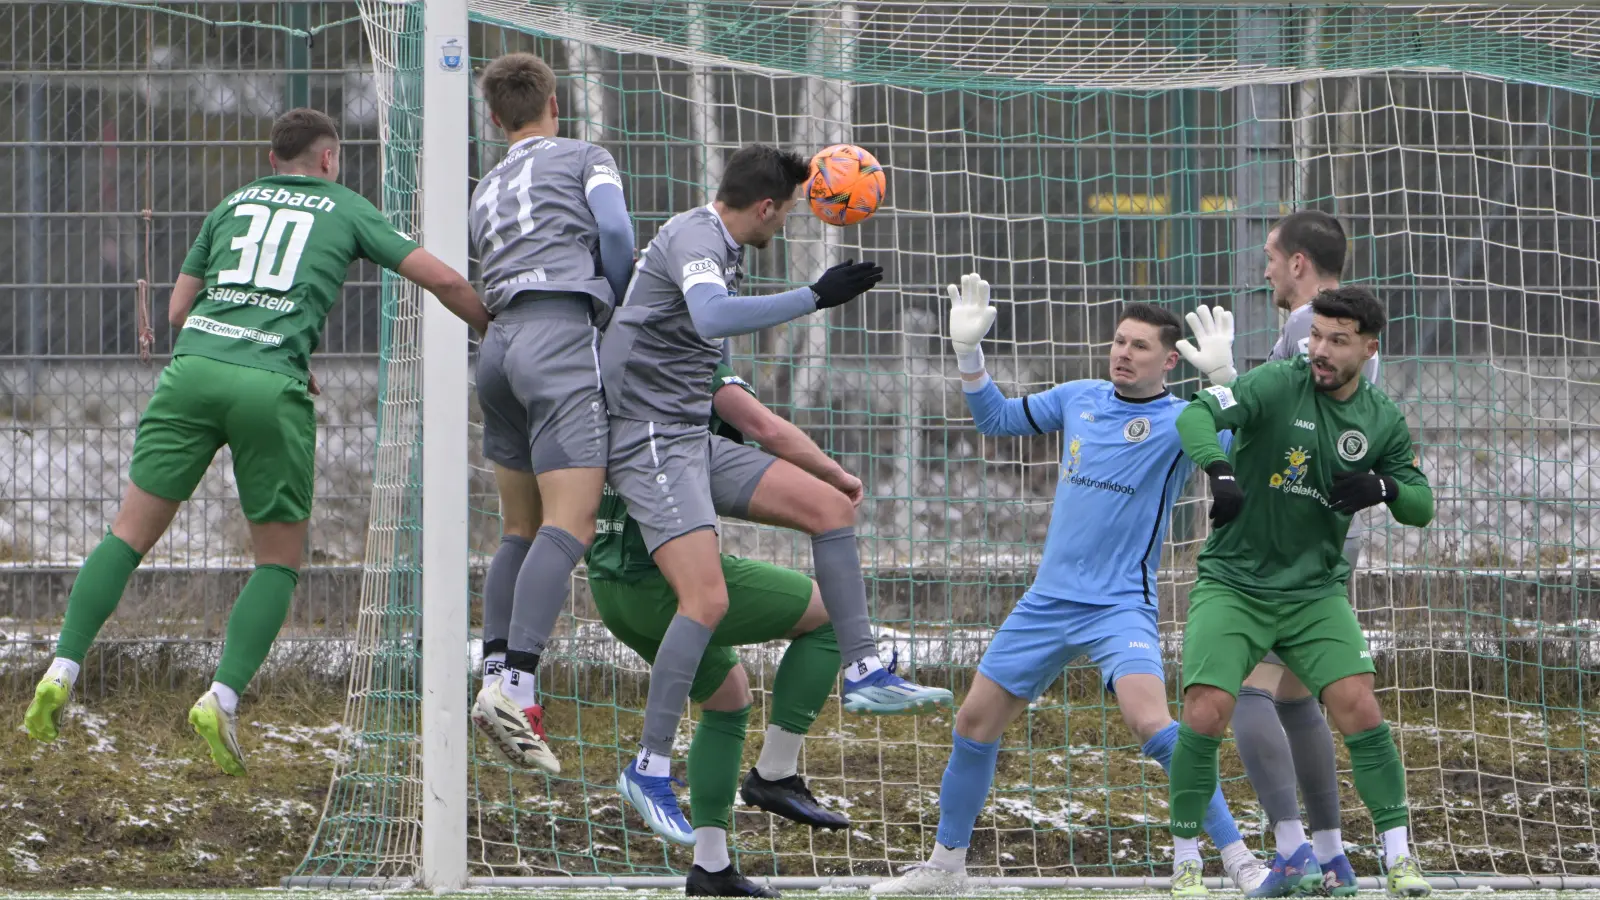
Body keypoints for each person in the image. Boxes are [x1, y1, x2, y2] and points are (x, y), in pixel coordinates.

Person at [21, 108, 490, 775]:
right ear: (329, 160)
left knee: (126, 536)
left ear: (273, 160)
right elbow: (443, 279)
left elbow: (178, 311)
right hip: (270, 387)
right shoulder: (347, 207)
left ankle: (61, 671)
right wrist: (494, 330)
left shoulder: (231, 203)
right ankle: (221, 698)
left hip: (194, 374)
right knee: (276, 561)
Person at [597, 143, 952, 844]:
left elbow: (742, 407)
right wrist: (814, 297)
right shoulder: (697, 237)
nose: (786, 224)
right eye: (787, 212)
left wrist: (829, 470)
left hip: (687, 440)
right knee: (709, 601)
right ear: (765, 206)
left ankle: (863, 669)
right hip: (646, 441)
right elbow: (711, 316)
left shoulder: (724, 251)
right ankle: (648, 765)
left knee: (829, 507)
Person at [871, 276, 1267, 896]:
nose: (1122, 353)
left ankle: (1239, 859)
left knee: (1154, 726)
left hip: (1119, 606)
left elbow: (1244, 444)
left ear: (1169, 360)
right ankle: (945, 867)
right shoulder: (1079, 397)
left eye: (1139, 346)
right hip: (1048, 601)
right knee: (975, 723)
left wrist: (1226, 378)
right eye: (1118, 341)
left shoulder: (1182, 421)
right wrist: (969, 356)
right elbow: (997, 420)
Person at [1166, 285, 1433, 898]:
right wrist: (1220, 468)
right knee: (1206, 708)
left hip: (1314, 592)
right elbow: (1197, 414)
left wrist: (1384, 489)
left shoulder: (1380, 419)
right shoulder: (1275, 382)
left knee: (1359, 707)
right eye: (1315, 335)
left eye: (1337, 341)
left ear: (1368, 349)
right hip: (1235, 583)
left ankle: (1399, 858)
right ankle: (1185, 861)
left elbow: (1421, 504)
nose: (1319, 349)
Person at [588, 362, 855, 897]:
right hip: (666, 581)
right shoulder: (690, 361)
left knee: (728, 698)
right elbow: (766, 431)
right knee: (830, 613)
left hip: (610, 584)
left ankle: (711, 868)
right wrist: (834, 479)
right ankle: (775, 774)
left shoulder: (611, 368)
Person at [1176, 210, 1378, 895]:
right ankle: (1332, 856)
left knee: (1249, 692)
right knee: (1295, 696)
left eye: (1270, 257)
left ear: (1297, 264)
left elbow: (1278, 435)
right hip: (1321, 538)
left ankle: (1291, 850)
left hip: (1277, 543)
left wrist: (1225, 384)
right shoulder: (1356, 329)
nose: (1264, 270)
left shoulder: (1307, 329)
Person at [465, 52, 636, 775]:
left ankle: (494, 667)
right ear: (554, 104)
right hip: (560, 334)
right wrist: (620, 308)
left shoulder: (483, 185)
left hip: (496, 348)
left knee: (518, 528)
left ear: (496, 119)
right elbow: (619, 237)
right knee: (571, 524)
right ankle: (518, 687)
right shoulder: (585, 155)